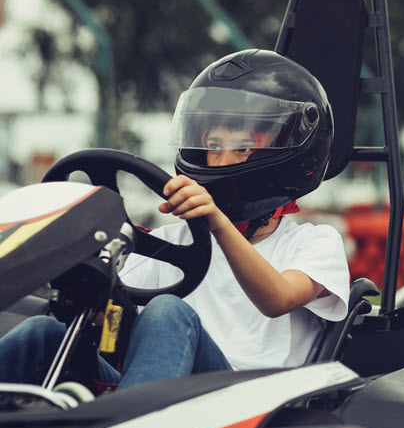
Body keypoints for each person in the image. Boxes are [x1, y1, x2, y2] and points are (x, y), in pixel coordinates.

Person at [0, 49, 350, 391]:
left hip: (251, 409)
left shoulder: (314, 242)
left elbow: (278, 299)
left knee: (169, 311)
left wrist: (215, 220)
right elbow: (110, 309)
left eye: (242, 147)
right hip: (165, 398)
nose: (221, 160)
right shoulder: (173, 242)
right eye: (213, 145)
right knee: (42, 334)